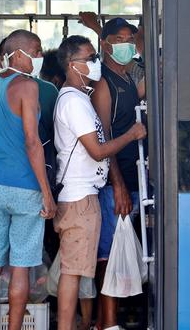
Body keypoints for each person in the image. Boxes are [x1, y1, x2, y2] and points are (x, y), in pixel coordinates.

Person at [54, 35, 146, 330]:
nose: (95, 64)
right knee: (73, 272)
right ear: (72, 65)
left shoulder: (80, 98)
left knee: (78, 271)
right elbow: (96, 151)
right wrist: (131, 135)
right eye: (89, 59)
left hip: (84, 195)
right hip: (80, 197)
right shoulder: (73, 102)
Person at [0, 29, 56, 330]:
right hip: (25, 187)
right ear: (18, 54)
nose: (38, 57)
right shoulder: (27, 86)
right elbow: (32, 142)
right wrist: (46, 194)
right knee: (20, 268)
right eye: (35, 51)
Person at [91, 17, 147, 330]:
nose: (126, 43)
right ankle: (107, 322)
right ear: (105, 43)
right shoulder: (103, 83)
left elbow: (134, 101)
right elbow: (103, 135)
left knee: (117, 250)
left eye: (130, 38)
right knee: (108, 254)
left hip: (131, 175)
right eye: (119, 38)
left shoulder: (125, 79)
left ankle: (107, 321)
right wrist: (119, 185)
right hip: (116, 182)